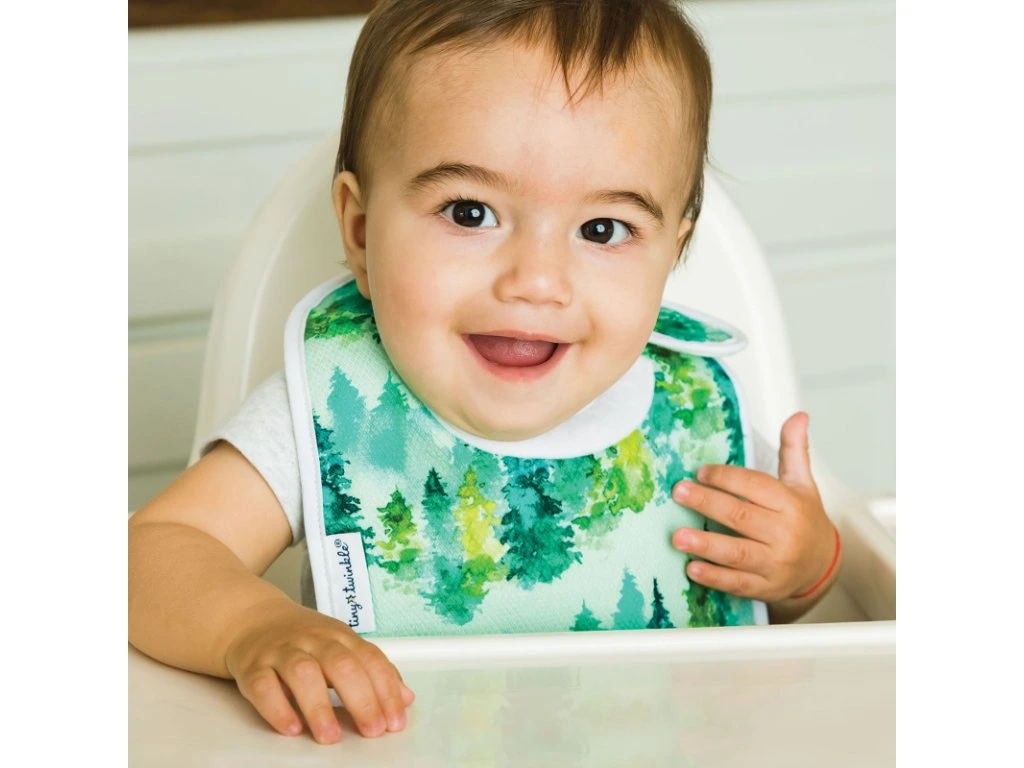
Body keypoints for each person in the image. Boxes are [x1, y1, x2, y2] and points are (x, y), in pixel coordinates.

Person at [128, 0, 842, 746]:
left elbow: (777, 608)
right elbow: (152, 551)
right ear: (361, 232)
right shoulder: (335, 407)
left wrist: (806, 566)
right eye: (469, 213)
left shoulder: (693, 415)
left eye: (603, 229)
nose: (536, 280)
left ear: (672, 253)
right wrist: (253, 627)